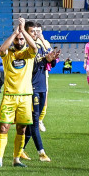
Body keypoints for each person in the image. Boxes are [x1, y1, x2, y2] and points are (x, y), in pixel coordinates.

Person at [0, 17, 38, 168]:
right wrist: (15, 32)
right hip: (9, 96)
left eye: (21, 39)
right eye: (17, 40)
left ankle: (16, 159)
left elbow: (35, 48)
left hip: (25, 97)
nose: (19, 42)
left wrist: (23, 30)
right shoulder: (8, 54)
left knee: (22, 129)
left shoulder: (28, 54)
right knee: (4, 127)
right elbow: (1, 50)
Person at [21, 22, 59, 162]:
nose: (35, 33)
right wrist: (44, 59)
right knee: (35, 122)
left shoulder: (40, 46)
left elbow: (52, 65)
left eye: (37, 31)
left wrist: (51, 58)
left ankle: (21, 150)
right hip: (32, 88)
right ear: (26, 33)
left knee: (32, 123)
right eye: (32, 31)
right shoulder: (26, 48)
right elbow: (32, 67)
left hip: (42, 87)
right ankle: (41, 153)